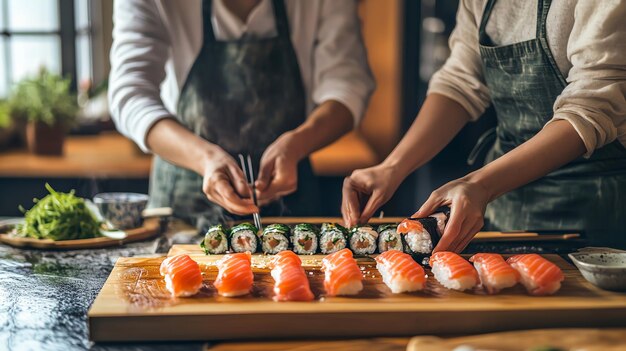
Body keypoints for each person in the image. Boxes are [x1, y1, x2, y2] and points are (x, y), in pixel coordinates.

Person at [342, 0, 626, 251]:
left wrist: (478, 184)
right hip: (506, 202)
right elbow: (460, 82)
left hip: (597, 208)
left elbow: (592, 104)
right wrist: (392, 167)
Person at [109, 0, 374, 230]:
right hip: (182, 208)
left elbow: (348, 85)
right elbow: (131, 94)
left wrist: (297, 144)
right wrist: (205, 158)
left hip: (292, 202)